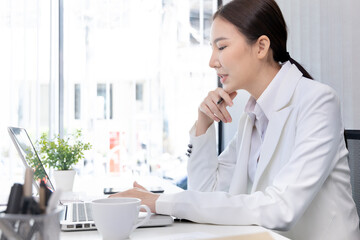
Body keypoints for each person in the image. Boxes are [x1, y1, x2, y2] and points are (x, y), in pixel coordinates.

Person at [110, 0, 360, 239]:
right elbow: (205, 193)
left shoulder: (318, 102)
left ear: (261, 47)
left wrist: (160, 202)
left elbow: (281, 209)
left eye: (221, 46)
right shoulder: (252, 116)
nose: (212, 61)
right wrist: (203, 126)